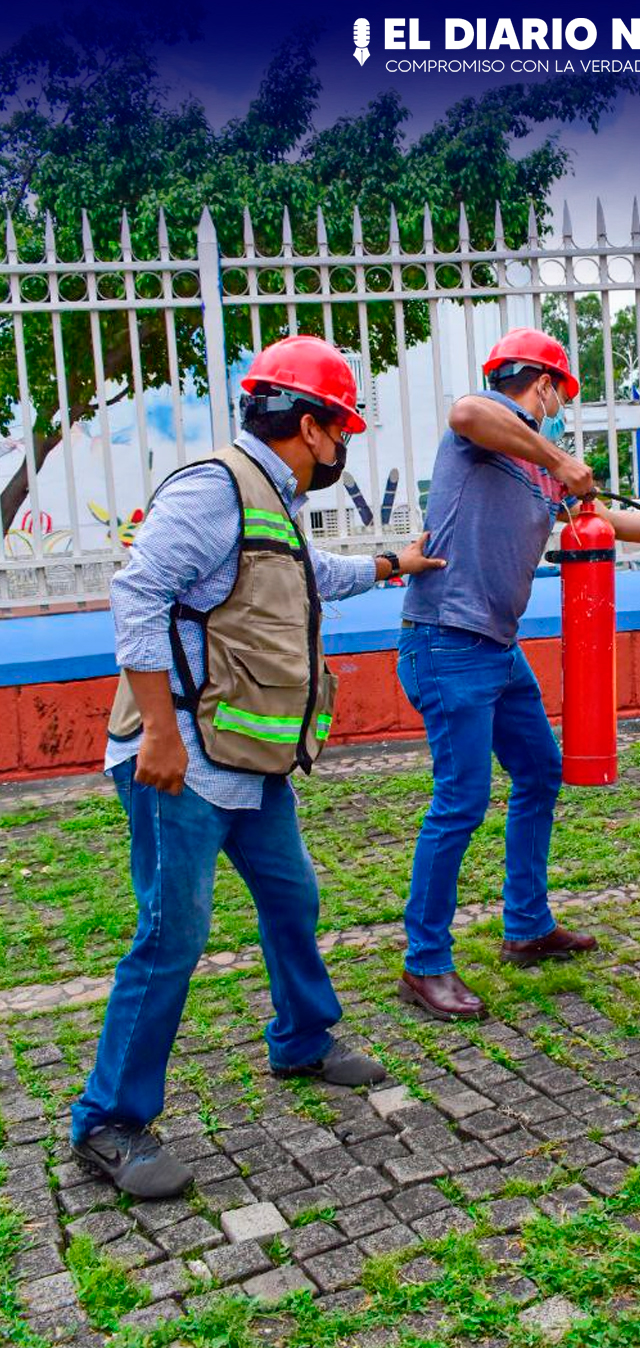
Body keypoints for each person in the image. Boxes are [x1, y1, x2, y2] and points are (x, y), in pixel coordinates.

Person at [71, 335, 444, 1199]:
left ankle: (303, 1038)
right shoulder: (214, 486)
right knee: (173, 936)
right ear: (311, 427)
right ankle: (109, 1122)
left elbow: (304, 578)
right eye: (341, 430)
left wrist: (394, 565)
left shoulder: (267, 499)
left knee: (293, 896)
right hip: (182, 761)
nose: (343, 447)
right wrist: (159, 732)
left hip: (247, 755)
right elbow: (137, 593)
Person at [397, 327, 640, 1020]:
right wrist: (559, 455)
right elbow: (466, 410)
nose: (556, 408)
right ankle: (424, 965)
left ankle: (527, 928)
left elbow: (600, 519)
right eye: (557, 394)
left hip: (496, 649)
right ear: (541, 384)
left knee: (541, 771)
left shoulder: (539, 466)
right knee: (460, 800)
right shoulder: (486, 428)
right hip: (447, 640)